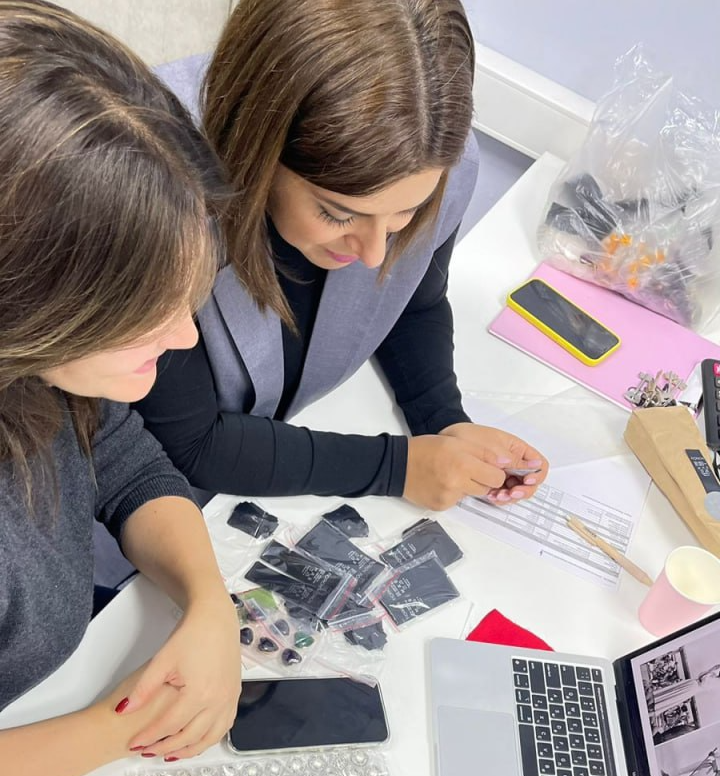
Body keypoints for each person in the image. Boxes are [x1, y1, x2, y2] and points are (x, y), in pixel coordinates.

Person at [141, 0, 550, 511]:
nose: (375, 254)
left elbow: (413, 301)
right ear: (259, 150)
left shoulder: (437, 158)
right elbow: (192, 442)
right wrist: (400, 468)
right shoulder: (149, 189)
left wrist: (444, 421)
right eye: (338, 214)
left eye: (405, 214)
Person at [0, 1, 243, 776]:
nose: (185, 336)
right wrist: (127, 723)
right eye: (147, 311)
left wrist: (208, 601)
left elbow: (124, 457)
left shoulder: (39, 372)